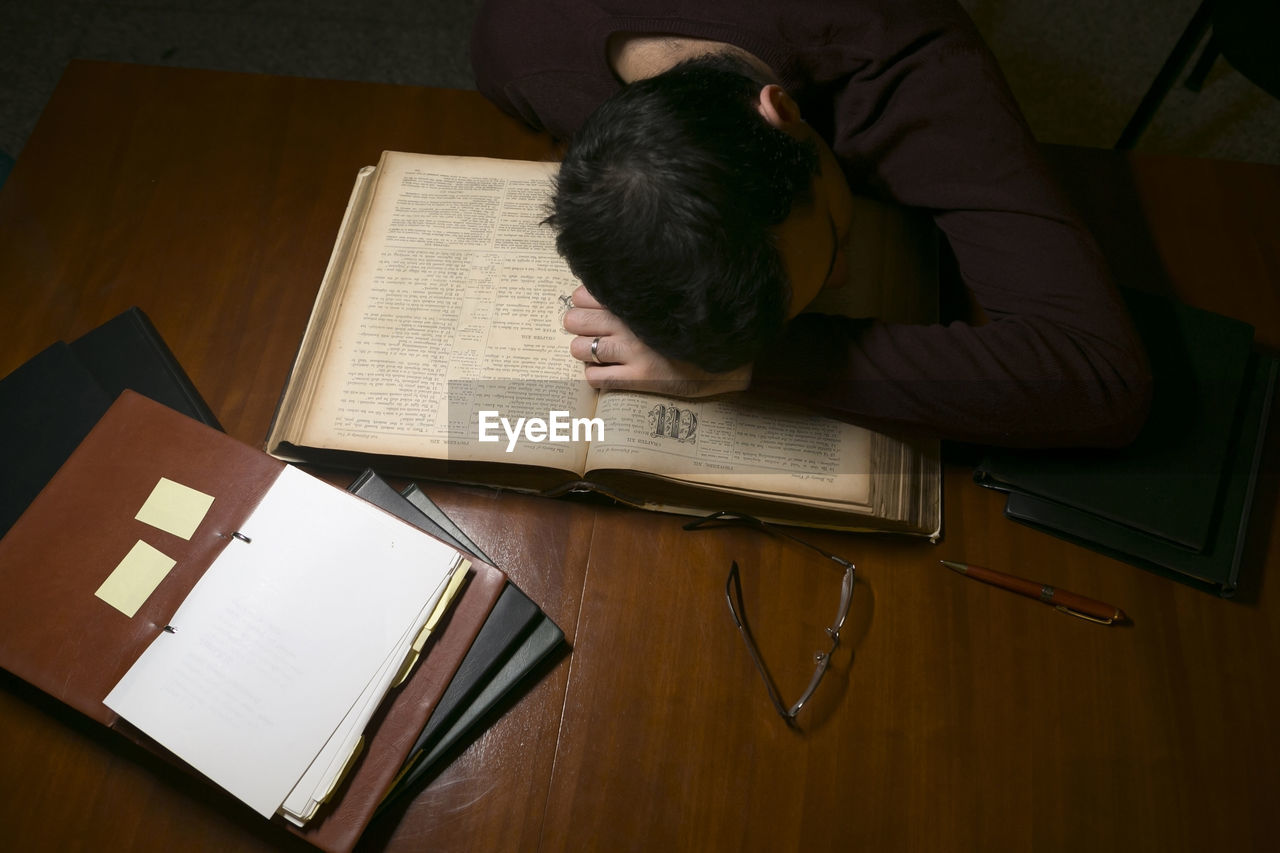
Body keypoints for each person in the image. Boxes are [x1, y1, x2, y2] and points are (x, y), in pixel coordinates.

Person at [470, 0, 1152, 448]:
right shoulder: (519, 47)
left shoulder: (910, 60)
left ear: (784, 113)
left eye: (829, 248)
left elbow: (1102, 373)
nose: (846, 272)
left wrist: (759, 366)